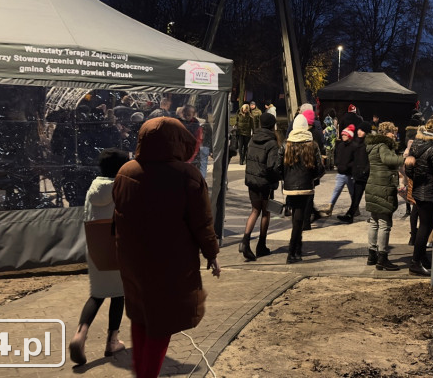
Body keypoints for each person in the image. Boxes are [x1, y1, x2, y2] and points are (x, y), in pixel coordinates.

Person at [112, 117, 220, 378]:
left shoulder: (126, 171)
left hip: (133, 260)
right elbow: (202, 222)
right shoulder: (187, 176)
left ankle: (142, 373)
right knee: (162, 323)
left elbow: (118, 214)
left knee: (140, 315)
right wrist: (212, 254)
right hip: (171, 264)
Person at [69, 148, 129, 366]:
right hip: (116, 246)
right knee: (118, 294)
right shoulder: (121, 187)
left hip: (94, 248)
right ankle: (112, 341)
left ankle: (80, 333)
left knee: (97, 294)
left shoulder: (92, 188)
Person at [281, 114, 325, 263]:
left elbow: (277, 166)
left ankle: (297, 249)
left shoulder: (286, 144)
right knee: (298, 220)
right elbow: (320, 169)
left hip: (289, 188)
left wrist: (285, 178)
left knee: (296, 218)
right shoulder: (312, 145)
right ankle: (292, 252)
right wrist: (310, 178)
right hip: (306, 187)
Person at [241, 112, 282, 261]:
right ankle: (261, 245)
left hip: (252, 181)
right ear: (272, 126)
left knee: (254, 210)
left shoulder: (253, 139)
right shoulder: (271, 143)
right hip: (265, 183)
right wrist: (276, 179)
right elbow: (272, 166)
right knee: (266, 213)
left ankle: (245, 241)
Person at [365, 121, 404, 271]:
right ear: (386, 133)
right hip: (383, 188)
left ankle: (371, 255)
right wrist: (404, 159)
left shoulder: (374, 145)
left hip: (373, 186)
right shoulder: (383, 146)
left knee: (374, 221)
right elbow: (389, 160)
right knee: (384, 224)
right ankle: (382, 257)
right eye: (392, 132)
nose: (394, 135)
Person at [405, 118, 433, 276]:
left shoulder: (415, 145)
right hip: (430, 191)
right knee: (426, 227)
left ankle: (423, 258)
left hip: (419, 190)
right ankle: (415, 263)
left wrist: (416, 177)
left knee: (424, 226)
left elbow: (409, 170)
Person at [338, 121, 371, 224]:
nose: (359, 132)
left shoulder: (369, 143)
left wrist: (366, 170)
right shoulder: (356, 142)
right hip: (358, 174)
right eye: (359, 130)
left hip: (367, 175)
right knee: (356, 197)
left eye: (362, 130)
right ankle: (350, 215)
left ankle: (375, 216)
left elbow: (370, 160)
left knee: (370, 197)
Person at [328, 124, 356, 216]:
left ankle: (355, 208)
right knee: (336, 190)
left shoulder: (354, 146)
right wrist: (337, 163)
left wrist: (348, 166)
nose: (343, 136)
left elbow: (355, 160)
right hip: (340, 173)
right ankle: (330, 206)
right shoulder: (340, 146)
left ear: (349, 136)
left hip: (349, 174)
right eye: (342, 135)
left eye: (345, 135)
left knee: (352, 193)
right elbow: (337, 156)